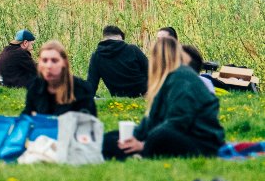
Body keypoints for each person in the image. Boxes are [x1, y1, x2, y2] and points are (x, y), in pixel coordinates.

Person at [104, 32, 223, 161]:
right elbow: (151, 119)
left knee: (160, 135)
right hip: (176, 134)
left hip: (201, 141)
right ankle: (131, 152)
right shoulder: (166, 81)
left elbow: (178, 121)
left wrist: (143, 144)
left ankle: (141, 152)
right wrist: (131, 138)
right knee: (112, 138)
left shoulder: (183, 78)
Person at [22, 40, 96, 117]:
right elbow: (26, 117)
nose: (49, 66)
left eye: (54, 61)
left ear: (64, 63)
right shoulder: (35, 86)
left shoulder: (81, 89)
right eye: (44, 60)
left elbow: (87, 124)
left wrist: (39, 117)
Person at [85, 25, 149, 98]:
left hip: (119, 100)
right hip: (145, 95)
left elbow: (91, 85)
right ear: (121, 38)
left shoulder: (97, 56)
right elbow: (152, 71)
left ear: (104, 37)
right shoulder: (132, 50)